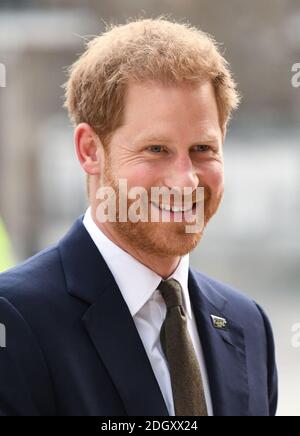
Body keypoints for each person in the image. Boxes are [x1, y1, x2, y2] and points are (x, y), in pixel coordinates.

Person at [0, 17, 277, 416]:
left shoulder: (248, 325)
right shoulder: (15, 323)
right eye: (156, 150)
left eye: (202, 148)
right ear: (90, 151)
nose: (185, 181)